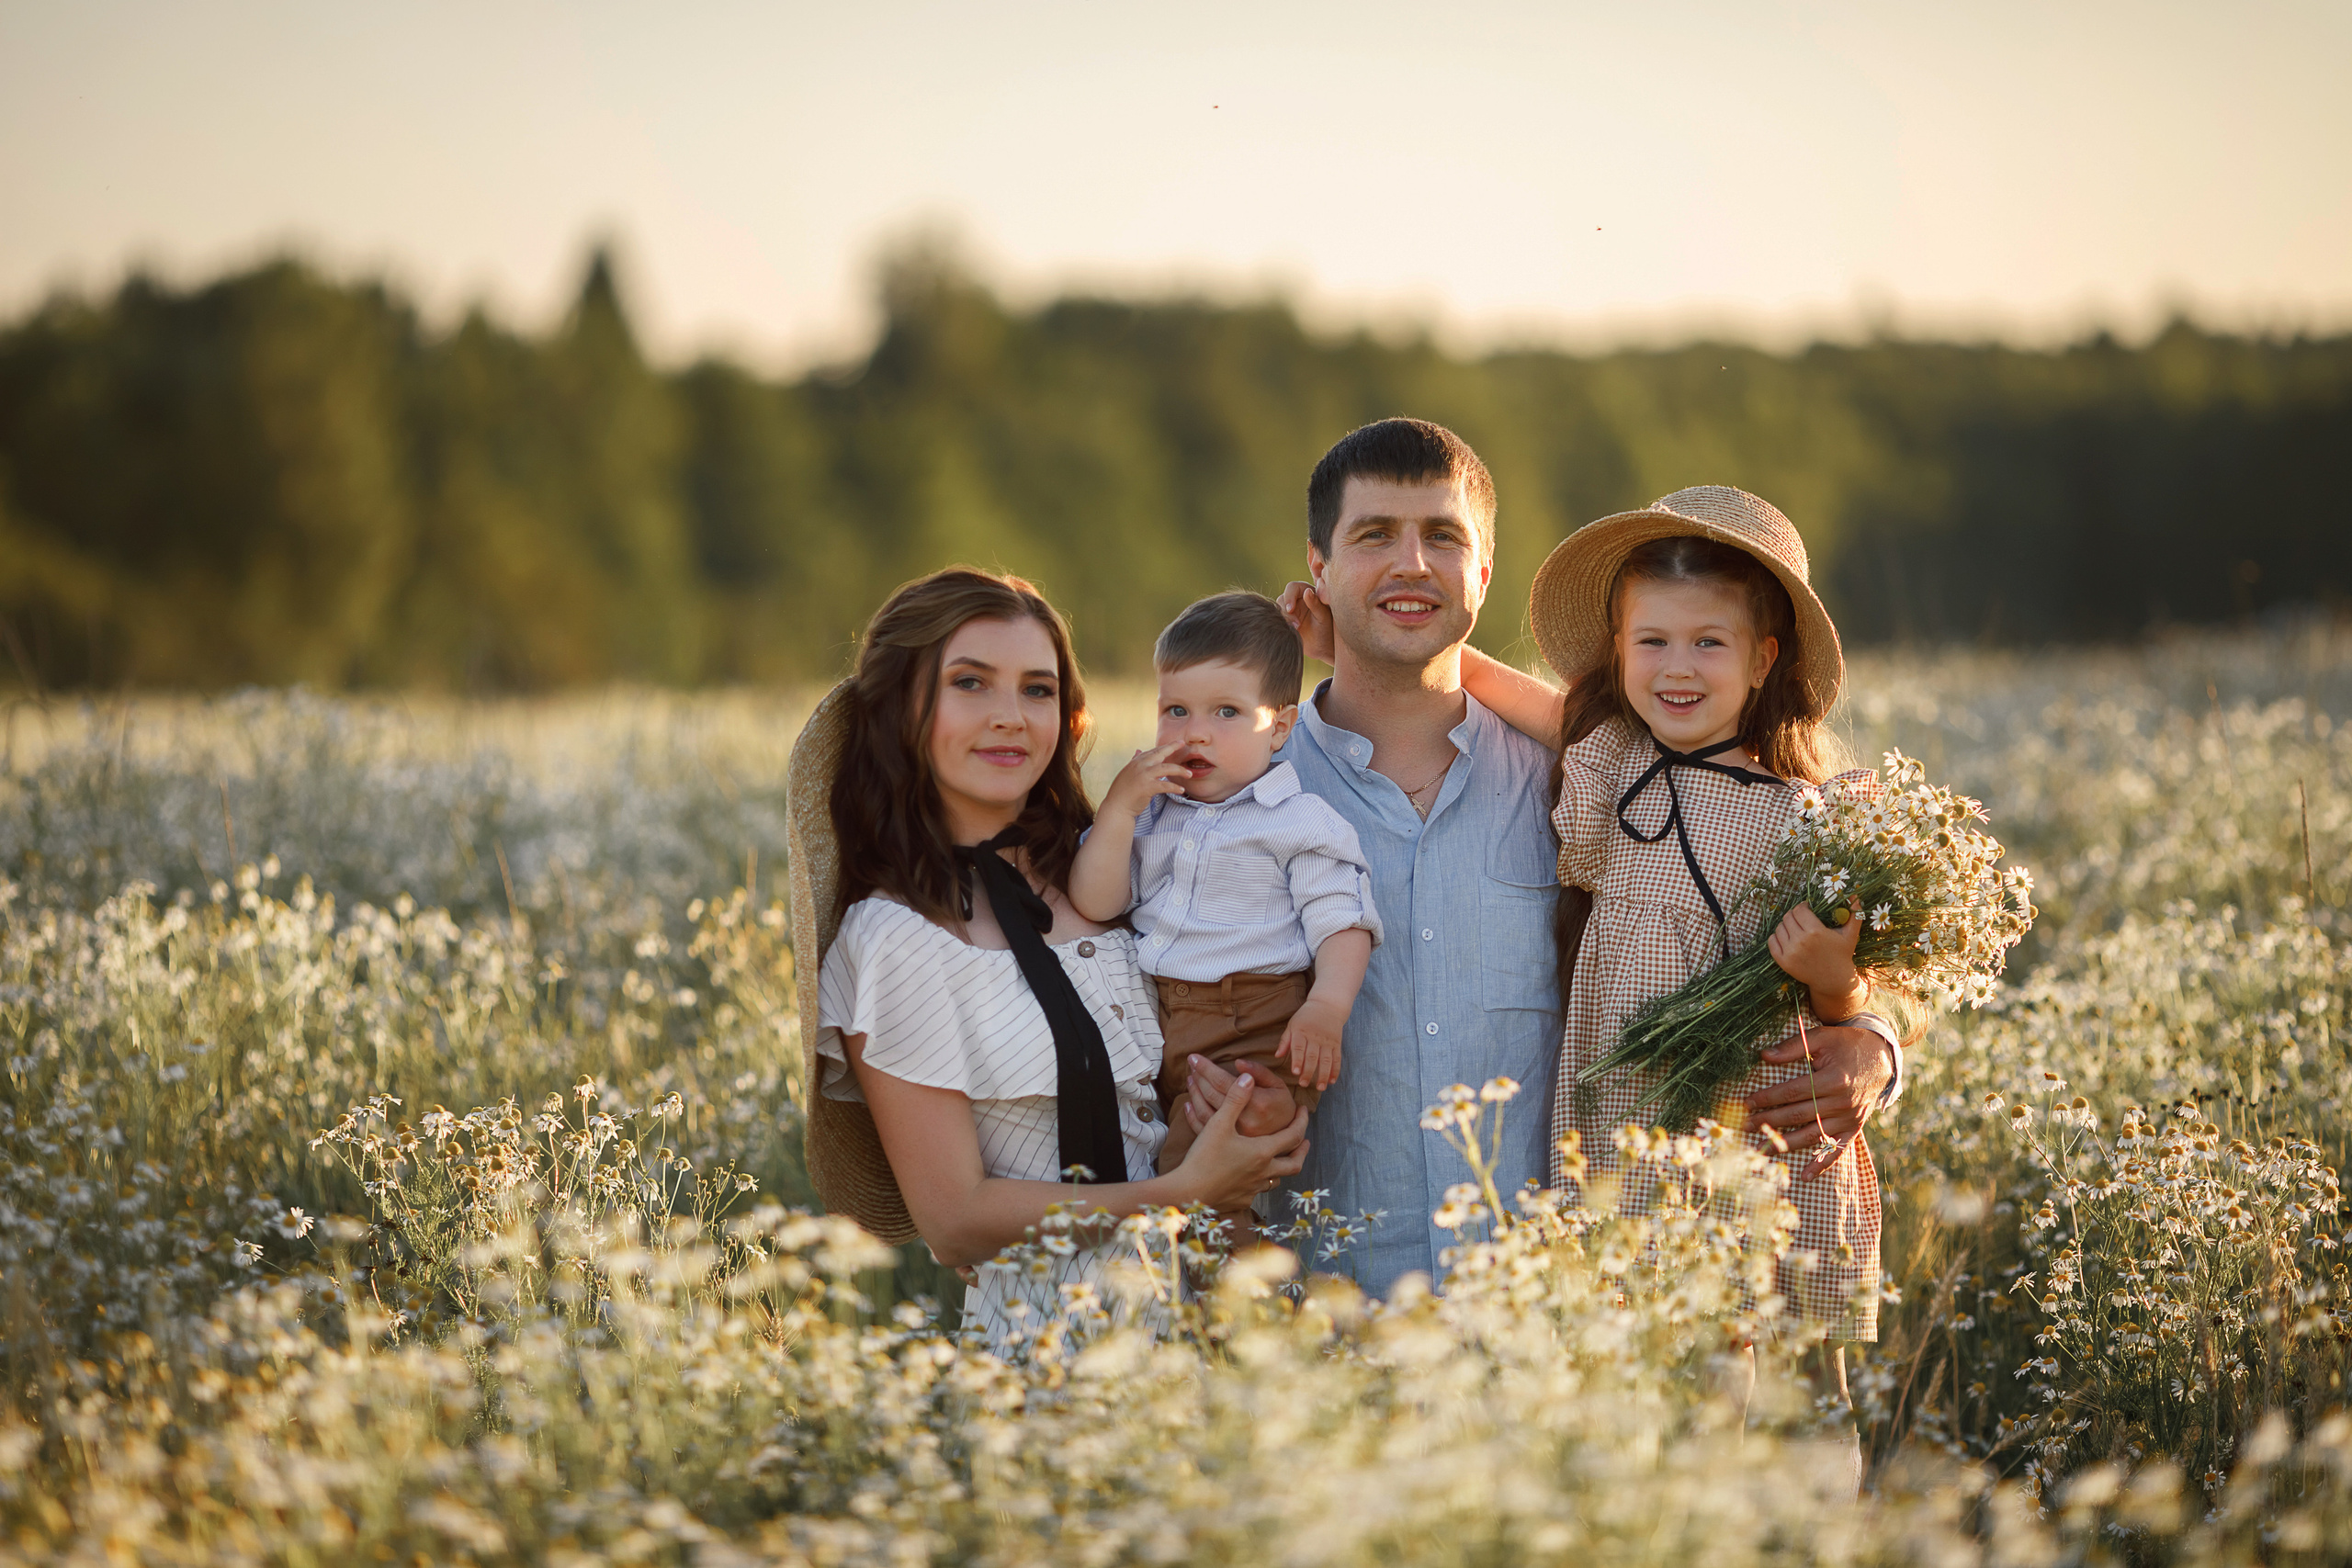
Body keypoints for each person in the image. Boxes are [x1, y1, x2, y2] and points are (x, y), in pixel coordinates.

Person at [786, 567, 1310, 1343]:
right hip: (1045, 1353)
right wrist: (1182, 1191)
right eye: (971, 683)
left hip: (1208, 1329)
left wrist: (1244, 1115)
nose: (1010, 717)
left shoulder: (1114, 868)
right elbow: (958, 1220)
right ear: (904, 711)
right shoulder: (893, 938)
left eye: (1037, 690)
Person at [1476, 485, 1920, 1392]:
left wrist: (1837, 984)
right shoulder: (1610, 760)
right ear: (1617, 652)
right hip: (1621, 1120)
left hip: (1743, 1134)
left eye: (1707, 643)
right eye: (1653, 641)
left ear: (1763, 660)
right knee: (1631, 1374)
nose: (1678, 668)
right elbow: (1492, 688)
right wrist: (1356, 649)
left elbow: (1842, 997)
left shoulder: (1803, 816)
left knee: (1763, 1385)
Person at [1069, 591, 1381, 1239]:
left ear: (1281, 727)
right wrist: (1119, 812)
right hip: (1166, 1025)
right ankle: (1234, 1296)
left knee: (1198, 1164)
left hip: (1258, 1023)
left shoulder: (1297, 821)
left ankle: (1241, 1305)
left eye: (1227, 712)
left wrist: (1327, 1005)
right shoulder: (1151, 815)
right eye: (1175, 710)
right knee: (1175, 1159)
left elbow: (1341, 917)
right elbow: (1097, 902)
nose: (1195, 732)